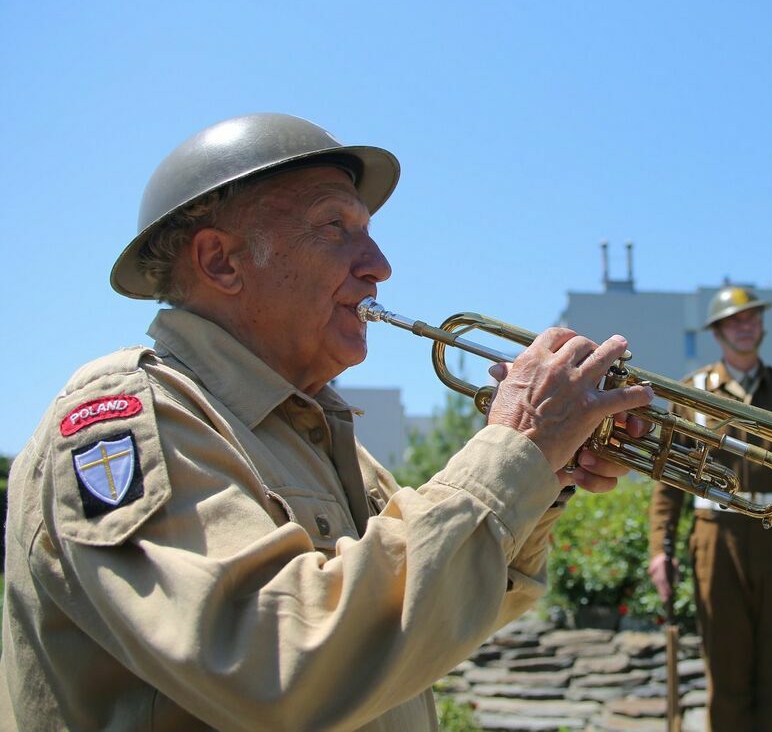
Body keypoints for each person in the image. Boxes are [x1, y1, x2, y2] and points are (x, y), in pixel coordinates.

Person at [1, 113, 654, 731]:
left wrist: (543, 474)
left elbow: (429, 617)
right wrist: (516, 449)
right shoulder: (132, 416)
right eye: (335, 226)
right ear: (221, 261)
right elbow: (284, 664)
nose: (379, 264)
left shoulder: (316, 434)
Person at [648, 285, 772, 732]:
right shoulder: (691, 391)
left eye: (752, 317)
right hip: (716, 534)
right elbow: (670, 478)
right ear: (716, 331)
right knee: (725, 676)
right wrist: (660, 548)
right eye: (735, 320)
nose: (745, 326)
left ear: (763, 325)